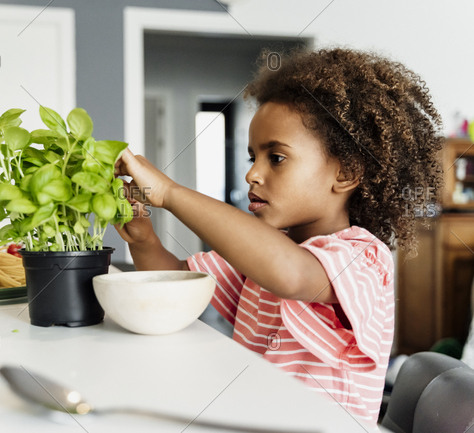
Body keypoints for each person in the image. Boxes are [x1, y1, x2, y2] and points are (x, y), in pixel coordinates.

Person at [114, 48, 443, 426]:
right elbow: (174, 283)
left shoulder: (363, 258)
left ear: (346, 172)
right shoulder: (264, 250)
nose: (252, 174)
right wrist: (143, 240)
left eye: (277, 158)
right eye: (252, 157)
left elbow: (291, 275)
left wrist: (170, 193)